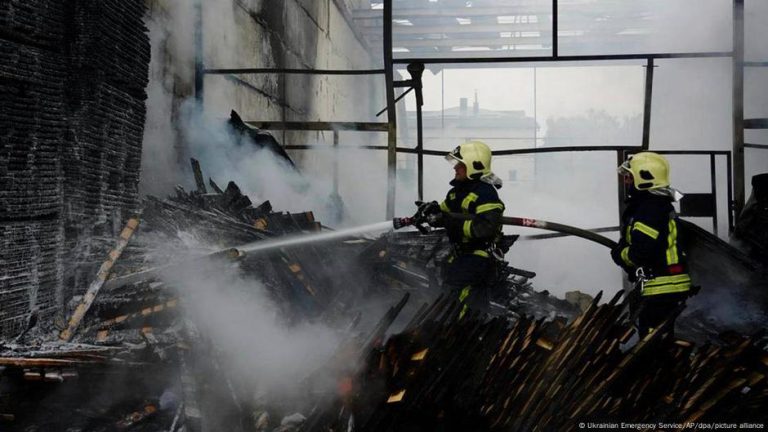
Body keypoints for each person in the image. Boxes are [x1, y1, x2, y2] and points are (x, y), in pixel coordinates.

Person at [418, 141, 505, 319]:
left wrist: (450, 223)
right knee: (461, 295)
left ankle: (457, 330)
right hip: (462, 255)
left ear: (474, 166)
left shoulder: (485, 193)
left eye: (460, 164)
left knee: (456, 294)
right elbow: (444, 213)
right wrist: (431, 211)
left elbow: (486, 227)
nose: (455, 168)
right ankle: (470, 331)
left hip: (479, 257)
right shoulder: (456, 192)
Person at [612, 152, 692, 337]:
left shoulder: (650, 209)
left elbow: (641, 253)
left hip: (662, 287)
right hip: (664, 285)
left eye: (630, 177)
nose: (626, 182)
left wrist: (619, 254)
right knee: (657, 339)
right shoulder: (652, 206)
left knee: (653, 343)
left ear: (644, 179)